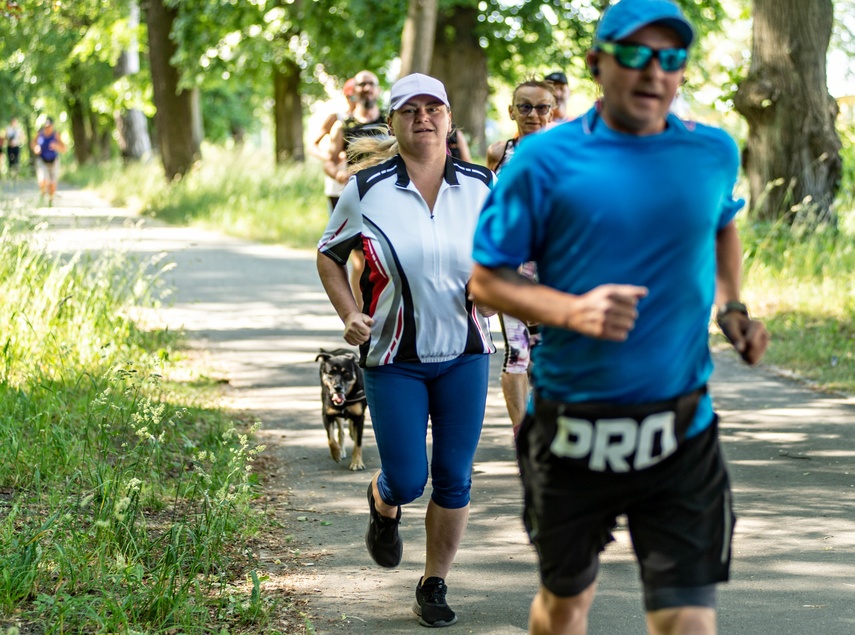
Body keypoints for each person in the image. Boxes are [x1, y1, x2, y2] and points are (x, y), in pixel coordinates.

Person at [469, 1, 770, 634]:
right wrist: (571, 310)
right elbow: (486, 280)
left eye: (670, 58)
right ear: (597, 64)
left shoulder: (711, 152)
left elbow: (721, 224)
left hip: (681, 430)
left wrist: (733, 306)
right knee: (565, 606)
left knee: (688, 621)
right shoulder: (542, 161)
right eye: (634, 54)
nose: (652, 71)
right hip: (574, 431)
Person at [317, 73, 496, 629]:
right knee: (408, 478)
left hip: (467, 352)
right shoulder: (366, 189)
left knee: (454, 478)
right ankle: (383, 499)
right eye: (410, 110)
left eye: (433, 108)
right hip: (393, 358)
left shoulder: (482, 185)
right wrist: (349, 312)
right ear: (392, 123)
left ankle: (433, 583)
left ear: (448, 119)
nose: (423, 117)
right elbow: (329, 255)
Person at [485, 80, 556, 436]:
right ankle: (522, 435)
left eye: (541, 107)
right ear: (511, 110)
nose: (533, 114)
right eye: (524, 107)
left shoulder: (569, 151)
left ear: (553, 109)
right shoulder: (499, 152)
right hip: (514, 267)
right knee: (517, 352)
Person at [324, 70, 388, 309]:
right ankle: (362, 313)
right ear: (355, 90)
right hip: (357, 199)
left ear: (378, 90)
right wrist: (338, 174)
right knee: (361, 261)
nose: (366, 88)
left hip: (386, 198)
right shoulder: (344, 126)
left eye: (371, 84)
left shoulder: (388, 123)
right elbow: (330, 161)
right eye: (362, 84)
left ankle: (383, 307)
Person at [309, 78, 356, 214]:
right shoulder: (337, 118)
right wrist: (331, 158)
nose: (353, 101)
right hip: (337, 184)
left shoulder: (370, 121)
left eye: (356, 97)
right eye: (350, 96)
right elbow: (312, 146)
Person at [33, 117, 67, 205]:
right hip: (42, 160)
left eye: (49, 126)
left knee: (52, 183)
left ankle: (50, 200)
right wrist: (36, 148)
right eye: (46, 126)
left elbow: (64, 148)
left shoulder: (56, 135)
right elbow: (33, 143)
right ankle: (42, 194)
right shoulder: (40, 134)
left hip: (53, 161)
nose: (47, 128)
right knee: (43, 180)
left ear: (52, 126)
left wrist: (56, 146)